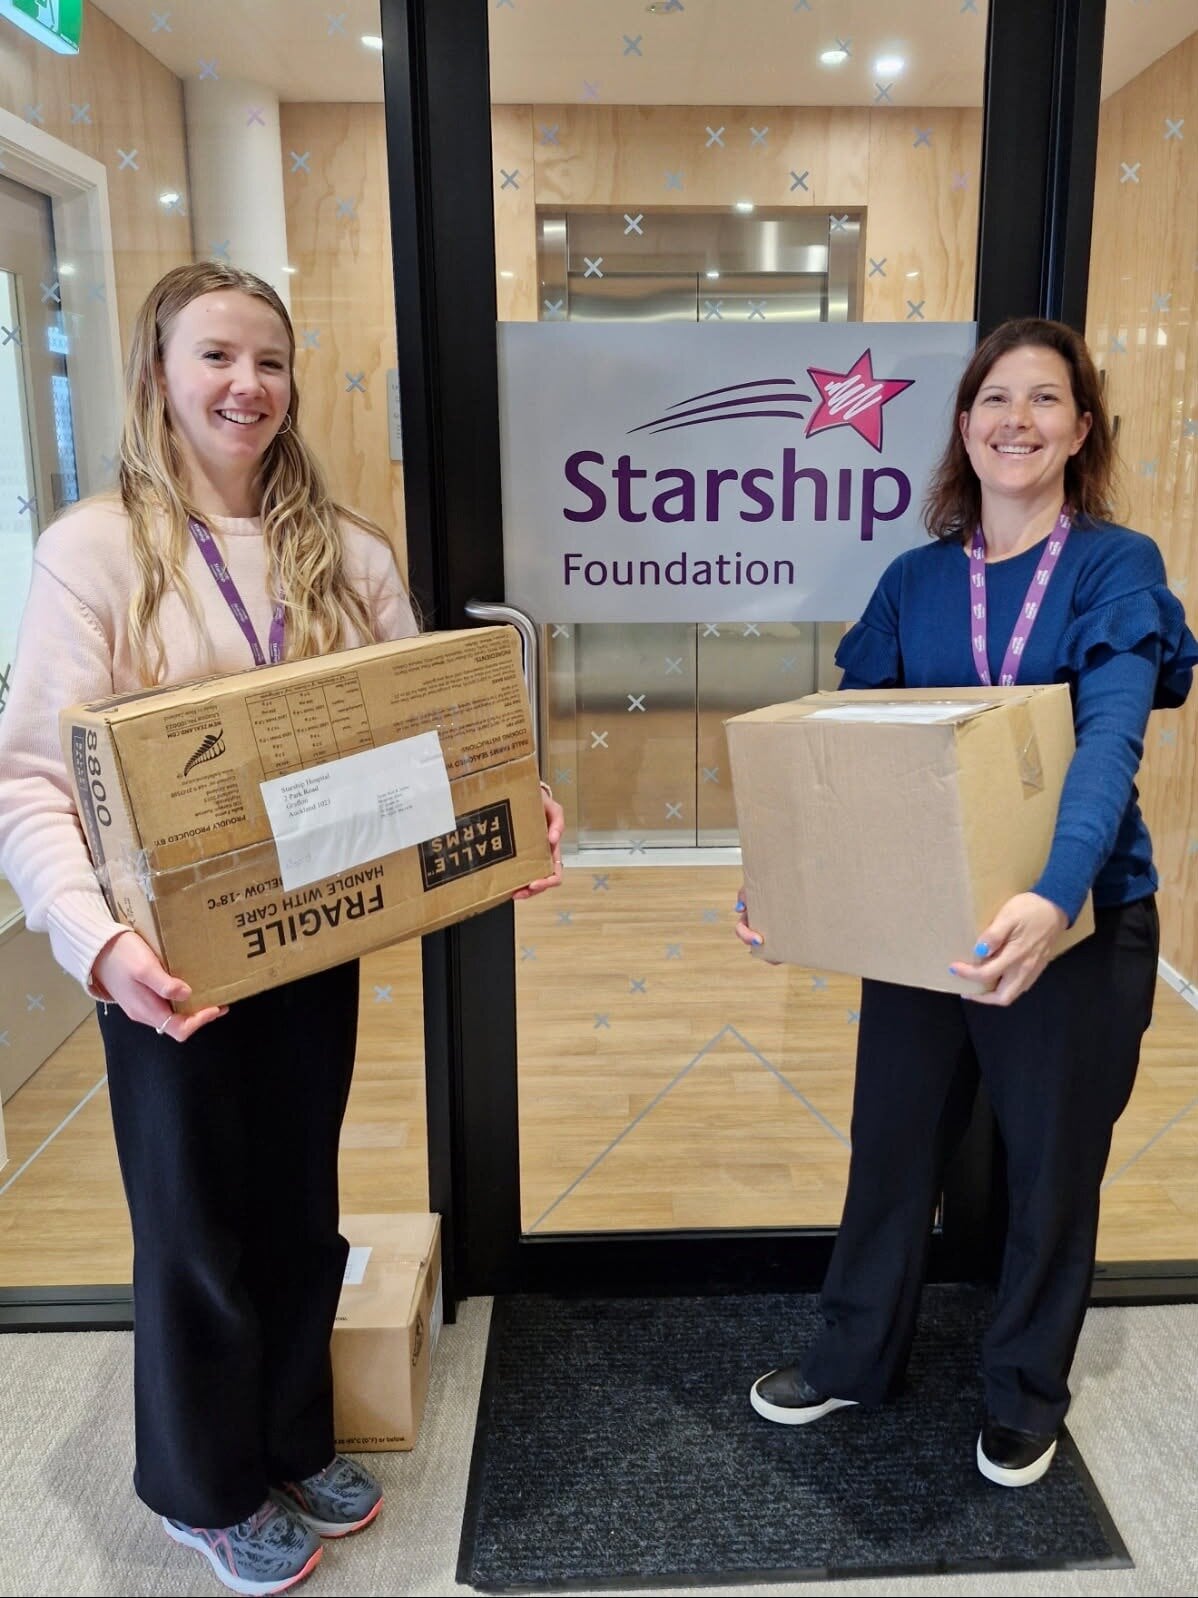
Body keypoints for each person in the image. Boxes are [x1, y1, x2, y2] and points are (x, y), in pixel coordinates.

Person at [0, 262, 564, 1594]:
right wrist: (99, 947)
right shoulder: (92, 551)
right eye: (214, 358)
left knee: (299, 1209)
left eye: (268, 359)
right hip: (162, 962)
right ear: (156, 376)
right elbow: (30, 778)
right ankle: (203, 1482)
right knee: (195, 1224)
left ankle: (292, 1434)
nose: (245, 384)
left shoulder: (345, 549)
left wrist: (507, 802)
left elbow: (435, 724)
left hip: (311, 941)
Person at [735, 317, 1197, 1488]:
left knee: (1052, 1167)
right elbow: (839, 753)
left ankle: (1024, 1393)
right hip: (923, 922)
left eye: (1046, 399)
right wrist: (786, 876)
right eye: (996, 397)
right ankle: (851, 1355)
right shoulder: (915, 579)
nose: (1017, 420)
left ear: (1080, 428)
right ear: (962, 424)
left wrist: (1052, 898)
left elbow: (1106, 747)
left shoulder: (1113, 565)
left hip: (1076, 929)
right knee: (892, 1147)